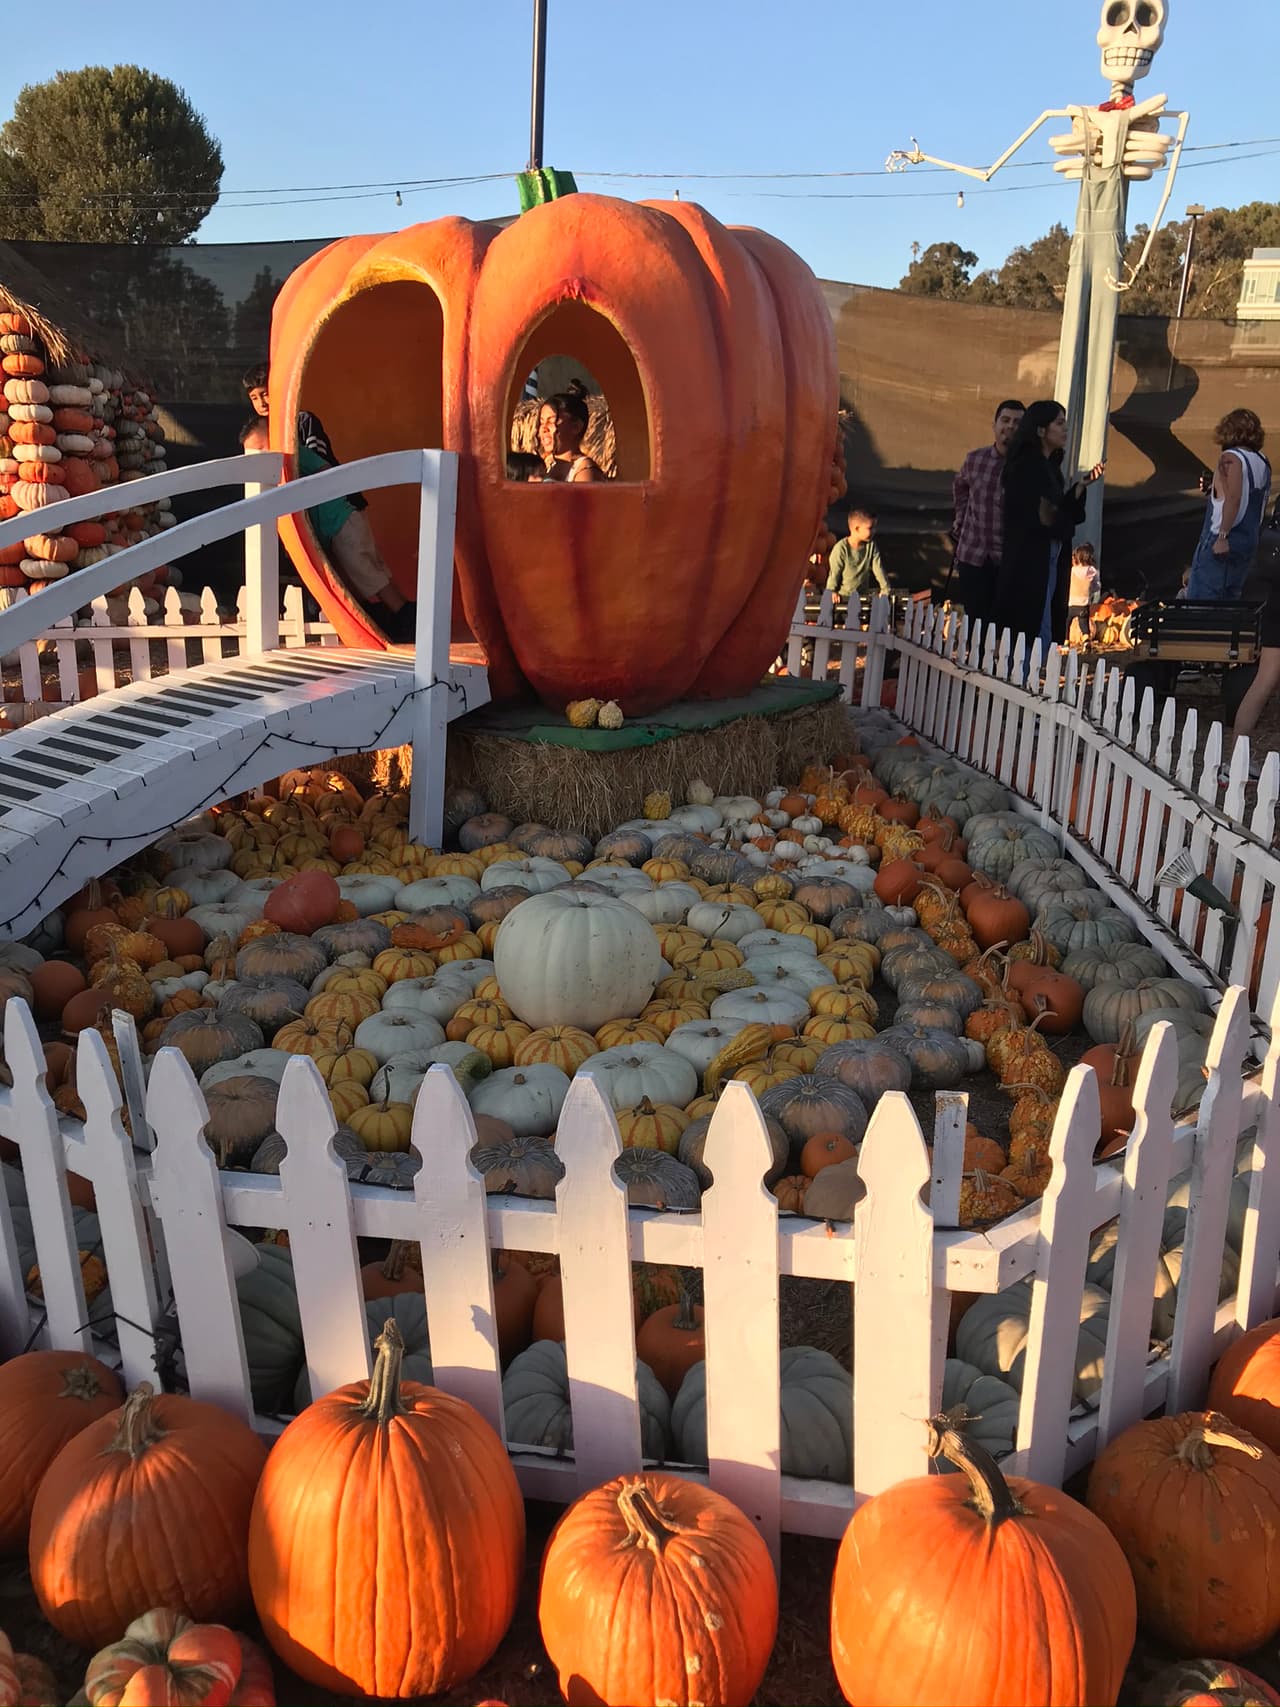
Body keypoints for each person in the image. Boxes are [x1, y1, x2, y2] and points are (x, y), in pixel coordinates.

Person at [240, 417, 416, 643]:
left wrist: (312, 488)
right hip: (333, 527)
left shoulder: (293, 456)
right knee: (363, 576)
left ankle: (405, 617)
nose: (261, 459)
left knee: (367, 574)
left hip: (341, 520)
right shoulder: (278, 476)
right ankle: (397, 615)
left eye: (263, 450)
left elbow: (325, 469)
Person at [997, 400, 1104, 653]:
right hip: (1032, 555)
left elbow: (1058, 510)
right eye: (1059, 423)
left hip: (1049, 552)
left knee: (1043, 619)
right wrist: (1062, 523)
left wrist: (1081, 486)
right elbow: (1044, 516)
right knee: (1032, 625)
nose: (1065, 429)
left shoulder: (1050, 468)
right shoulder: (1027, 467)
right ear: (1040, 430)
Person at [950, 399, 1025, 625]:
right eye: (1005, 420)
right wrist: (961, 518)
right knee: (975, 624)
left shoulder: (1027, 466)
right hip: (973, 554)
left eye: (1017, 422)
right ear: (994, 425)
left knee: (1004, 627)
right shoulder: (975, 460)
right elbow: (960, 486)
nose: (1010, 426)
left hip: (1009, 560)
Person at [1187, 409, 1271, 601]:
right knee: (1230, 602)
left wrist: (1223, 536)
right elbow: (1252, 498)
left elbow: (1234, 498)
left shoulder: (1230, 458)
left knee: (1202, 601)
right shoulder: (1262, 461)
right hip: (1247, 542)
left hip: (1222, 540)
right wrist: (1215, 488)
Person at [826, 507, 889, 621]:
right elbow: (834, 572)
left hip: (862, 598)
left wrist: (885, 589)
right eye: (870, 528)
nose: (874, 531)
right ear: (857, 528)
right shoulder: (841, 548)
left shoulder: (871, 546)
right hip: (843, 598)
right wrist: (832, 590)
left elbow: (878, 568)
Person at [537, 387, 604, 482]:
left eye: (551, 421)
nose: (544, 429)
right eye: (541, 422)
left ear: (576, 427)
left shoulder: (585, 471)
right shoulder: (546, 466)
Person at [1067, 542, 1100, 645]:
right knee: (1084, 624)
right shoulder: (1093, 571)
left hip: (1071, 603)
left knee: (1067, 623)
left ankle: (1066, 641)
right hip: (1084, 604)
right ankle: (1086, 641)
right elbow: (1097, 586)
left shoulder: (1072, 570)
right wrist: (1091, 591)